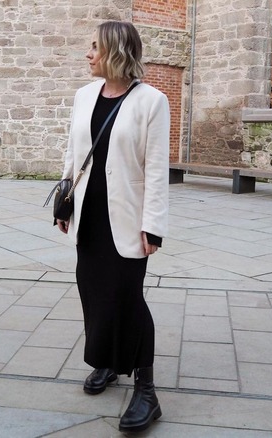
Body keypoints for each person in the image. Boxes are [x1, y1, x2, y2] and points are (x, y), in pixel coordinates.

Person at [55, 21, 170, 433]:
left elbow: (157, 169)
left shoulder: (152, 102)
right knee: (92, 290)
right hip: (89, 216)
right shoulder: (84, 96)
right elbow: (74, 152)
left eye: (95, 48)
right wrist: (64, 202)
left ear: (117, 53)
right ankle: (106, 362)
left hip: (127, 219)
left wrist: (153, 225)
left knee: (128, 298)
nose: (88, 55)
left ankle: (146, 389)